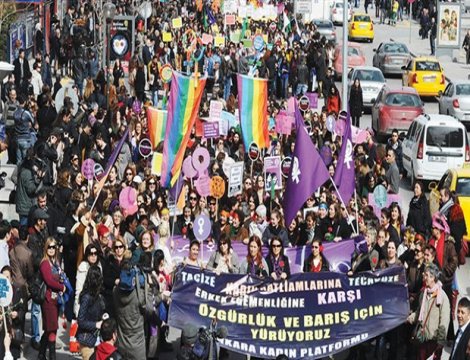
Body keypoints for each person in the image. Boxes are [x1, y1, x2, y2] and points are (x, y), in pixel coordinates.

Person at [408, 263, 450, 360]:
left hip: (433, 342)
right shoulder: (424, 293)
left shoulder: (442, 297)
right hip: (422, 339)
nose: (424, 277)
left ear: (433, 277)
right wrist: (410, 318)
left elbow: (444, 321)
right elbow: (419, 312)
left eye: (426, 275)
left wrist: (440, 342)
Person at [38, 237, 67, 360]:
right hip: (48, 300)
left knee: (50, 328)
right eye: (49, 247)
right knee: (53, 329)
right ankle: (52, 356)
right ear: (46, 248)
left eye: (53, 247)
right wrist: (62, 287)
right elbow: (49, 281)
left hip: (56, 300)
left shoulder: (56, 262)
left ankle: (41, 354)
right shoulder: (45, 263)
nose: (51, 249)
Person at [113, 261, 146, 360]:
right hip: (137, 345)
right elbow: (149, 310)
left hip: (122, 342)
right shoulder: (139, 295)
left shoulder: (115, 291)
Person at [76, 265, 106, 360]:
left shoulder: (99, 296)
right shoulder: (86, 297)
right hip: (87, 339)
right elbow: (80, 321)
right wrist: (96, 324)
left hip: (96, 339)